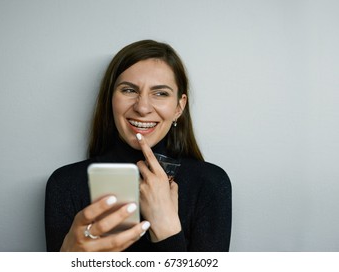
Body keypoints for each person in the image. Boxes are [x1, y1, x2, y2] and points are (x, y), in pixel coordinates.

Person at [45, 39, 232, 252]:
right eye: (128, 90)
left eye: (160, 93)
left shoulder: (210, 184)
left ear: (179, 107)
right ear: (110, 100)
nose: (142, 108)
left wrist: (166, 227)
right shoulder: (65, 184)